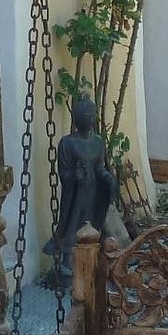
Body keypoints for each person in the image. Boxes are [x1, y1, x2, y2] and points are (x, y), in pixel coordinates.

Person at [43, 97, 117, 290]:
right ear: (76, 120)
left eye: (91, 116)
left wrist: (108, 179)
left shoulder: (98, 142)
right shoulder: (67, 144)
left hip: (93, 192)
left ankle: (91, 259)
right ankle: (68, 261)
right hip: (76, 195)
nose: (89, 120)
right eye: (85, 116)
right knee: (72, 227)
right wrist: (75, 176)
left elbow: (100, 167)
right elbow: (64, 173)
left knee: (93, 225)